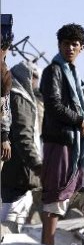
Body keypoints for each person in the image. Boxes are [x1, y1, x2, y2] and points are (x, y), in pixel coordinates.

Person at [39, 24, 84, 245]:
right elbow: (53, 105)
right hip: (58, 140)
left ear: (81, 48)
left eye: (74, 44)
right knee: (54, 197)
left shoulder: (72, 73)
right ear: (59, 45)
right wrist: (79, 120)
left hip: (70, 142)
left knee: (60, 198)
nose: (70, 48)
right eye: (66, 43)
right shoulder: (54, 71)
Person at [1, 61, 43, 232]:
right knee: (12, 214)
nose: (36, 81)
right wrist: (36, 164)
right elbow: (23, 136)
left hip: (13, 167)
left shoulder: (11, 95)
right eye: (34, 76)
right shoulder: (20, 98)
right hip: (18, 167)